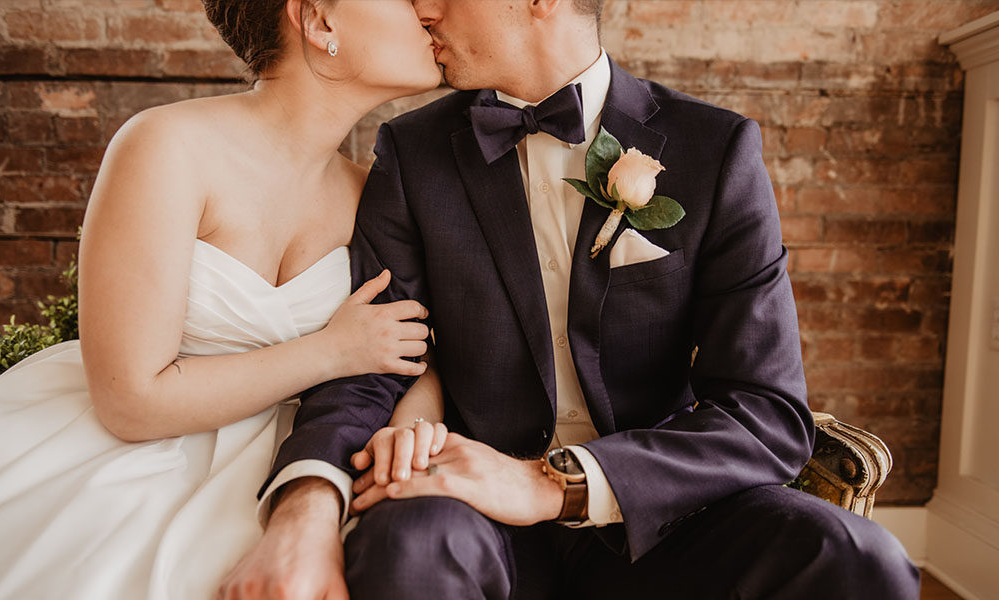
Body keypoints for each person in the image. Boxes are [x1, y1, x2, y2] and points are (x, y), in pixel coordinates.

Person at [222, 0, 922, 599]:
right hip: (474, 515)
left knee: (859, 559)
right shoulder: (412, 154)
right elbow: (373, 359)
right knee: (410, 542)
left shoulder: (716, 149)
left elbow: (767, 411)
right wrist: (305, 508)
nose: (421, 7)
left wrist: (554, 484)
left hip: (666, 513)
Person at [0, 1, 448, 598]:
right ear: (320, 20)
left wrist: (410, 430)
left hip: (297, 462)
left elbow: (412, 353)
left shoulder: (373, 195)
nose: (429, 8)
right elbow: (129, 400)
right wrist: (329, 353)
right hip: (131, 460)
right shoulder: (165, 146)